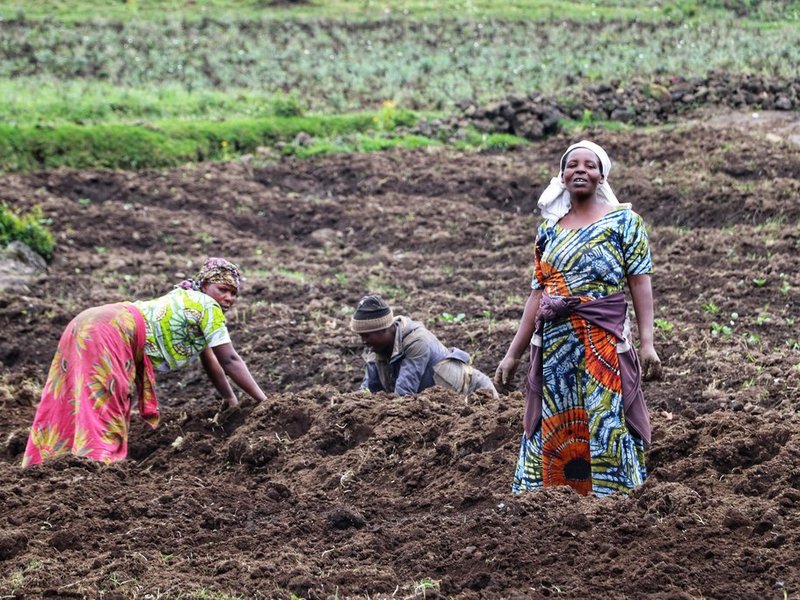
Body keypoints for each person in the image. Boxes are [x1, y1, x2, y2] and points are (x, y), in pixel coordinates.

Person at [495, 140, 662, 497]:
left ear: (601, 175)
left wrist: (647, 343)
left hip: (602, 342)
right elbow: (538, 295)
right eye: (572, 165)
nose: (580, 170)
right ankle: (550, 496)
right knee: (556, 416)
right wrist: (513, 354)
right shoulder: (549, 230)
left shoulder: (624, 222)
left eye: (589, 165)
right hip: (556, 344)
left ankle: (613, 497)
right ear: (562, 175)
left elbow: (639, 282)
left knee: (604, 417)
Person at [22, 257, 267, 467]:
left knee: (68, 394)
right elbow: (230, 359)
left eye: (233, 293)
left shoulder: (187, 299)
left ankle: (47, 460)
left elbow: (211, 360)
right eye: (222, 289)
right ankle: (97, 465)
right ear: (204, 286)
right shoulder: (207, 307)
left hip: (89, 320)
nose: (228, 298)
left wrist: (230, 399)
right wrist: (265, 403)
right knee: (108, 397)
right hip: (112, 329)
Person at [350, 294, 498, 399]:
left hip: (474, 394)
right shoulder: (376, 348)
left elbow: (404, 394)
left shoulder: (417, 341)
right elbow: (369, 390)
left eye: (366, 335)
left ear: (384, 330)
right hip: (444, 408)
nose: (363, 341)